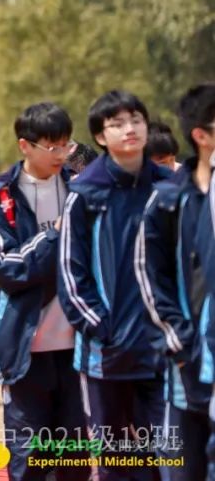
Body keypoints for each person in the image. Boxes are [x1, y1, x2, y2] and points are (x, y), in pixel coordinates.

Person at [59, 89, 170, 479]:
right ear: (101, 136)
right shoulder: (86, 193)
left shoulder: (169, 189)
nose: (130, 129)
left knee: (167, 456)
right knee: (118, 459)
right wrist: (104, 328)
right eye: (117, 123)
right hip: (107, 353)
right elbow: (72, 275)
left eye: (136, 119)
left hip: (164, 349)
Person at [0, 102, 87, 480]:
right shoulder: (1, 197)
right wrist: (55, 233)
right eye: (52, 146)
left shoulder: (79, 192)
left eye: (65, 145)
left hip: (78, 351)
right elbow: (7, 268)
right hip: (25, 348)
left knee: (73, 459)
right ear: (25, 146)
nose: (61, 154)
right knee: (29, 458)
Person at [136, 83, 215, 478]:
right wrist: (180, 341)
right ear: (201, 136)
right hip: (188, 365)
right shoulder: (168, 202)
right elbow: (151, 278)